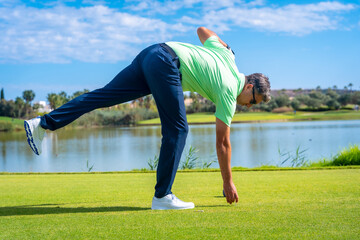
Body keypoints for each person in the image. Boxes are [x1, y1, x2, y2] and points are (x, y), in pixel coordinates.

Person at [24, 27, 271, 210]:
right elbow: (223, 144)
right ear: (249, 86)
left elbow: (203, 31)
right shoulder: (229, 91)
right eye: (253, 101)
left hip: (152, 52)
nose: (249, 105)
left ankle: (43, 123)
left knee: (102, 96)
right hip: (166, 63)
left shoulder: (228, 56)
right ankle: (162, 197)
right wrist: (228, 183)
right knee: (178, 130)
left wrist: (226, 46)